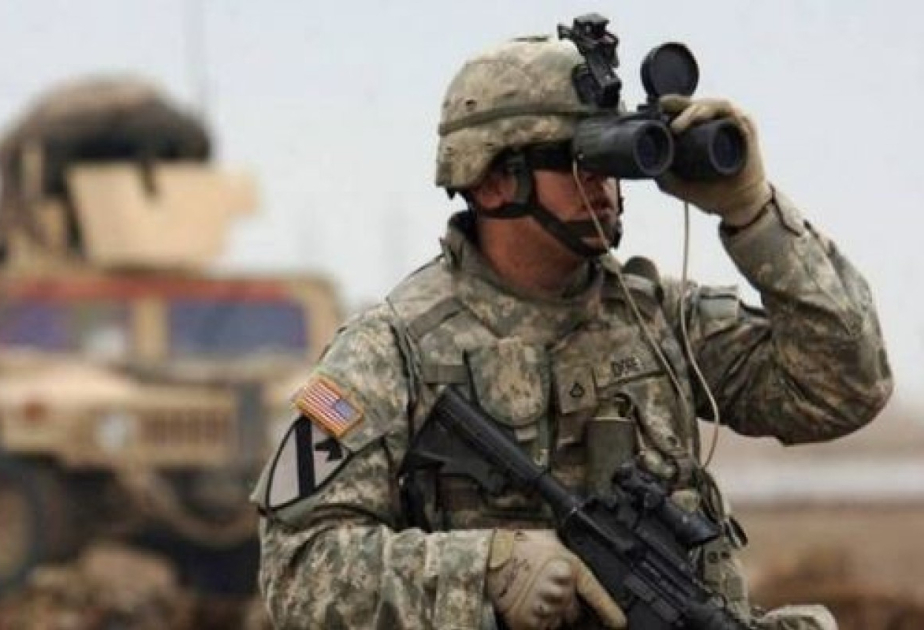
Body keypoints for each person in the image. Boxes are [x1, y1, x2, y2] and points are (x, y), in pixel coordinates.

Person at [251, 19, 892, 630]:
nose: (604, 186)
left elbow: (845, 388)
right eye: (578, 160)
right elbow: (298, 570)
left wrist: (752, 213)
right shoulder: (390, 351)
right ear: (493, 181)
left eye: (612, 160)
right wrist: (485, 570)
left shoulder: (659, 320)